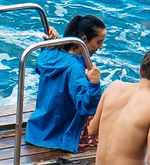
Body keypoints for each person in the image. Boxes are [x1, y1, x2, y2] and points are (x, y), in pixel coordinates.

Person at [24, 14, 106, 156]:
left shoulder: (52, 52)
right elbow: (85, 107)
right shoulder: (75, 68)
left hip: (39, 127)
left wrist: (50, 44)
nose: (101, 47)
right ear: (84, 39)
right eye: (99, 42)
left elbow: (40, 68)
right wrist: (94, 83)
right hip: (59, 135)